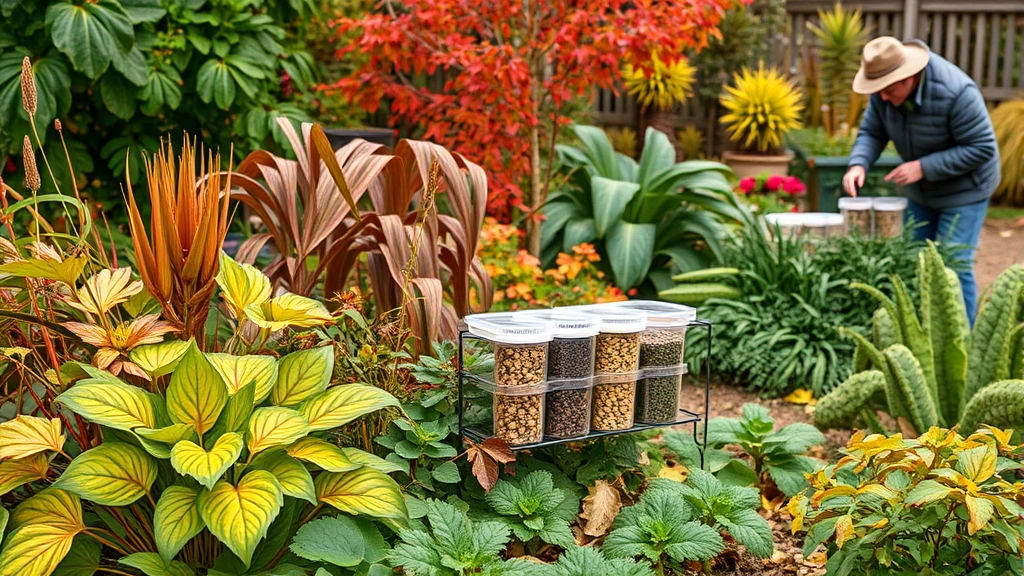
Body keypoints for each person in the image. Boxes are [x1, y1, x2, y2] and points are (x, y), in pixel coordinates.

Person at [843, 36, 999, 325]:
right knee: (914, 260)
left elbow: (982, 147)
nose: (883, 98)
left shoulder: (957, 91)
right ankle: (925, 334)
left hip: (965, 190)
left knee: (953, 265)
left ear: (908, 77)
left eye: (888, 90)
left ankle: (964, 339)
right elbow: (872, 132)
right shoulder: (883, 92)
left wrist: (924, 167)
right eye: (878, 91)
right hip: (920, 191)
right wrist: (858, 164)